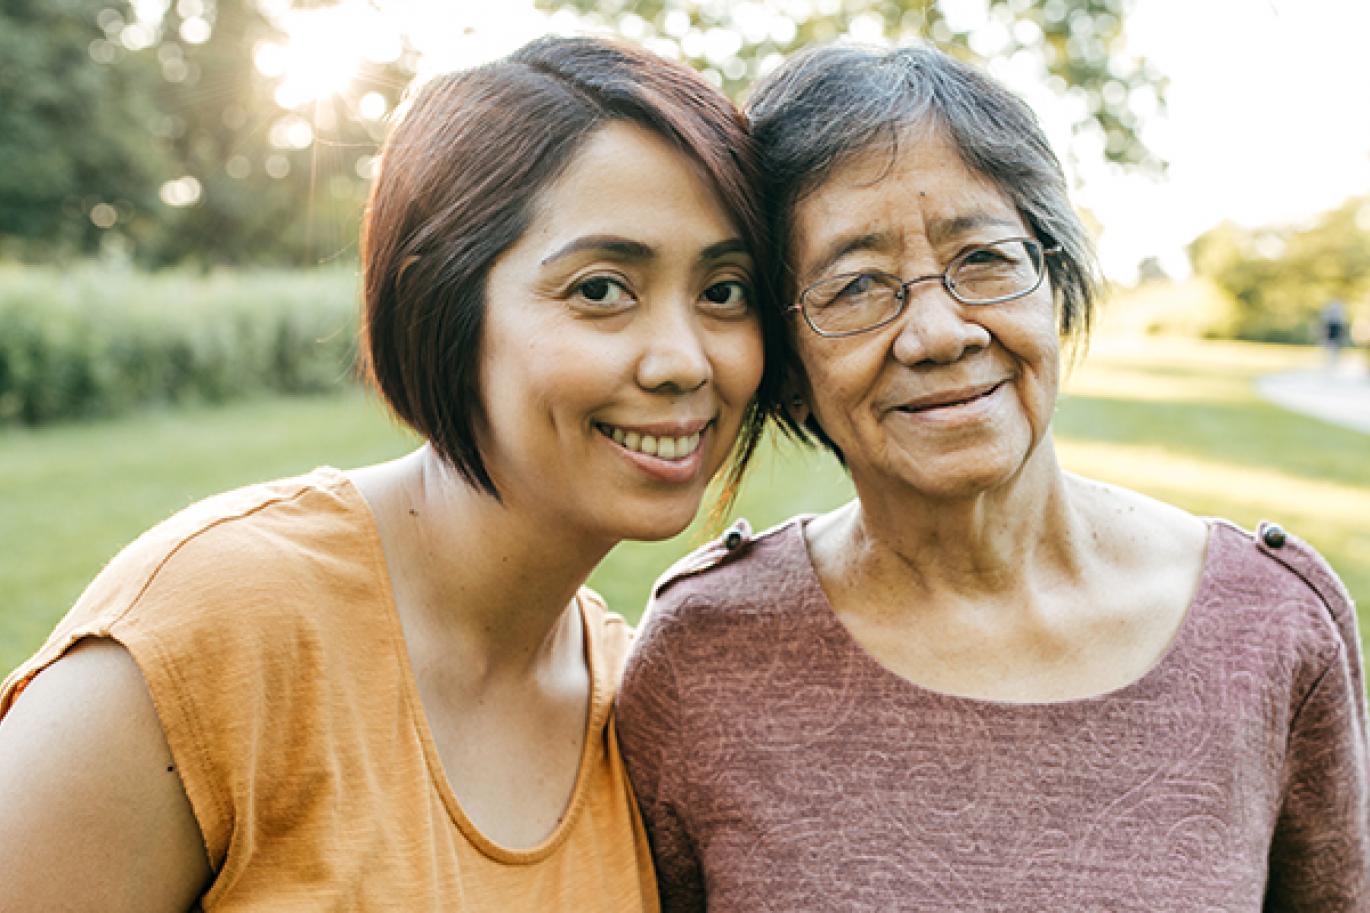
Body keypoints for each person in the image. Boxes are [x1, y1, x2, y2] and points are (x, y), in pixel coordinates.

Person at [0, 36, 783, 910]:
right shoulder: (213, 629)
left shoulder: (638, 702)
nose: (683, 360)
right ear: (437, 300)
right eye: (601, 289)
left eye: (724, 290)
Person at [616, 44, 1369, 911]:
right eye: (856, 285)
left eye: (983, 258)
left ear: (1053, 280)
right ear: (786, 366)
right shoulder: (702, 652)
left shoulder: (1270, 627)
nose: (938, 332)